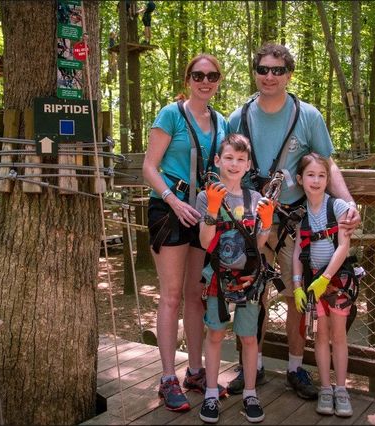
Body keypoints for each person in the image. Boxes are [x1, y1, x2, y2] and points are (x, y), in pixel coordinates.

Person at [227, 42, 361, 399]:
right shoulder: (237, 117)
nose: (269, 76)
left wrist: (347, 203)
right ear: (254, 71)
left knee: (295, 297)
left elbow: (328, 165)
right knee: (251, 295)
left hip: (293, 225)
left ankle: (295, 367)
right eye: (263, 69)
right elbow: (224, 167)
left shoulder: (308, 116)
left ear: (288, 74)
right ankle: (249, 367)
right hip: (251, 224)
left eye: (277, 70)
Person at [142, 54, 229, 412]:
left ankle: (195, 371)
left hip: (203, 214)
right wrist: (173, 201)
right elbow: (149, 166)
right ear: (187, 78)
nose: (204, 81)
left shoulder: (221, 122)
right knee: (172, 295)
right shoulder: (171, 114)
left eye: (211, 76)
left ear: (219, 80)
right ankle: (167, 378)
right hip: (169, 210)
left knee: (196, 294)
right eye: (198, 75)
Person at [197, 134, 274, 424]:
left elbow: (260, 242)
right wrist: (213, 210)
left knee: (249, 337)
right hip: (218, 274)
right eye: (228, 157)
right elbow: (205, 243)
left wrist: (266, 223)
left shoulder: (254, 198)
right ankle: (211, 393)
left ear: (248, 164)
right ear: (217, 161)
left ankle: (250, 392)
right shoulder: (207, 196)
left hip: (249, 277)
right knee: (215, 333)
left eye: (241, 159)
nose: (234, 163)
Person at [292, 152, 353, 417]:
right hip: (310, 282)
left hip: (337, 282)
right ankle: (325, 388)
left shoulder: (337, 207)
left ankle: (341, 388)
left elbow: (343, 246)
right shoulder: (301, 213)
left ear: (328, 179)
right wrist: (297, 284)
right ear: (300, 179)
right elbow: (297, 251)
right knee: (320, 335)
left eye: (321, 175)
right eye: (310, 175)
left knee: (338, 335)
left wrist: (325, 279)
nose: (316, 180)